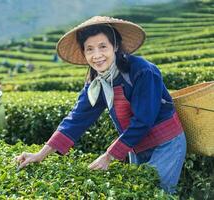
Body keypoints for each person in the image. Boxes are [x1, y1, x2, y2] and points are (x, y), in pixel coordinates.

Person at [15, 16, 186, 194]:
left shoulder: (142, 71)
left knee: (157, 194)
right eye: (89, 49)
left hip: (165, 144)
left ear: (116, 46)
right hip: (135, 146)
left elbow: (144, 119)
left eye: (103, 46)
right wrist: (40, 154)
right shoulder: (97, 81)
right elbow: (76, 119)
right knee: (141, 192)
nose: (97, 55)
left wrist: (109, 156)